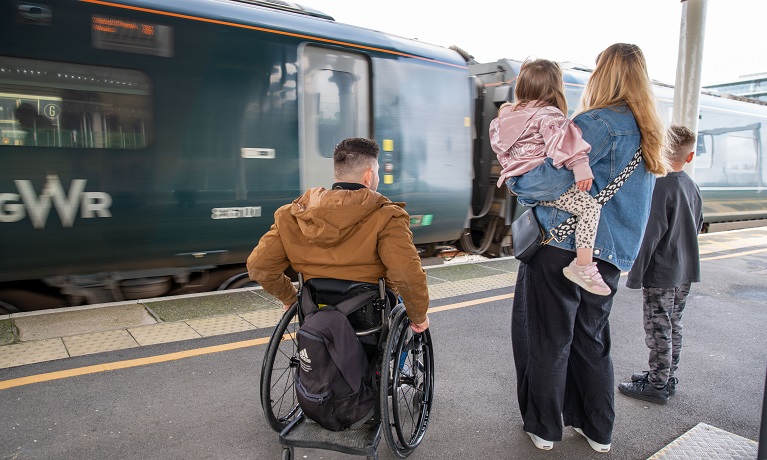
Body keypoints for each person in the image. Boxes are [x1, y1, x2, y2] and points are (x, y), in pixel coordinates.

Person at [507, 43, 667, 452]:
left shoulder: (593, 123)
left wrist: (515, 180)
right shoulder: (649, 132)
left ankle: (544, 427)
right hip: (609, 256)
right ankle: (597, 429)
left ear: (603, 75)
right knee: (592, 339)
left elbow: (548, 182)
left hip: (562, 246)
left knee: (549, 337)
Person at [246, 137, 430, 334]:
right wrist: (419, 316)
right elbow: (405, 274)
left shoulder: (291, 215)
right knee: (403, 306)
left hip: (314, 310)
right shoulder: (387, 215)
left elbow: (259, 266)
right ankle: (402, 365)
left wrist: (290, 298)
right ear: (369, 175)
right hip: (369, 319)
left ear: (337, 173)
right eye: (377, 172)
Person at [489, 59, 610, 296]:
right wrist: (581, 166)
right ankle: (583, 266)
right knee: (589, 208)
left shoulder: (506, 117)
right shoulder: (549, 115)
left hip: (520, 181)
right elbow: (565, 143)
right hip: (543, 179)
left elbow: (501, 149)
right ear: (555, 89)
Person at [618, 125, 703, 405]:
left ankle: (656, 385)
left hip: (662, 272)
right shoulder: (690, 185)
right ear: (689, 157)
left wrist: (634, 275)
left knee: (658, 327)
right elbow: (698, 224)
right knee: (673, 323)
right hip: (685, 271)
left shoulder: (660, 186)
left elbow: (650, 235)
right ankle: (666, 377)